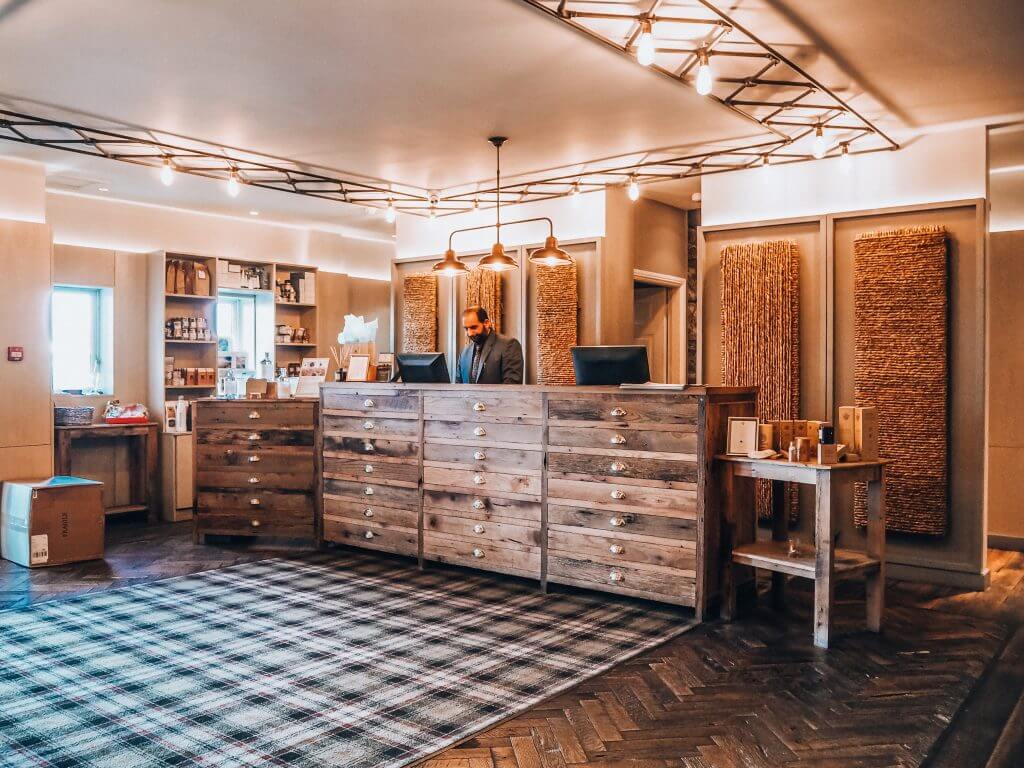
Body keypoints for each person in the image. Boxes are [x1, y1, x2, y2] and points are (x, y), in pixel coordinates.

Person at [455, 306, 524, 384]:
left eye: (473, 327)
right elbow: (458, 388)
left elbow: (511, 387)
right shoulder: (464, 353)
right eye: (466, 329)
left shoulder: (509, 345)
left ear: (486, 323)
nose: (469, 333)